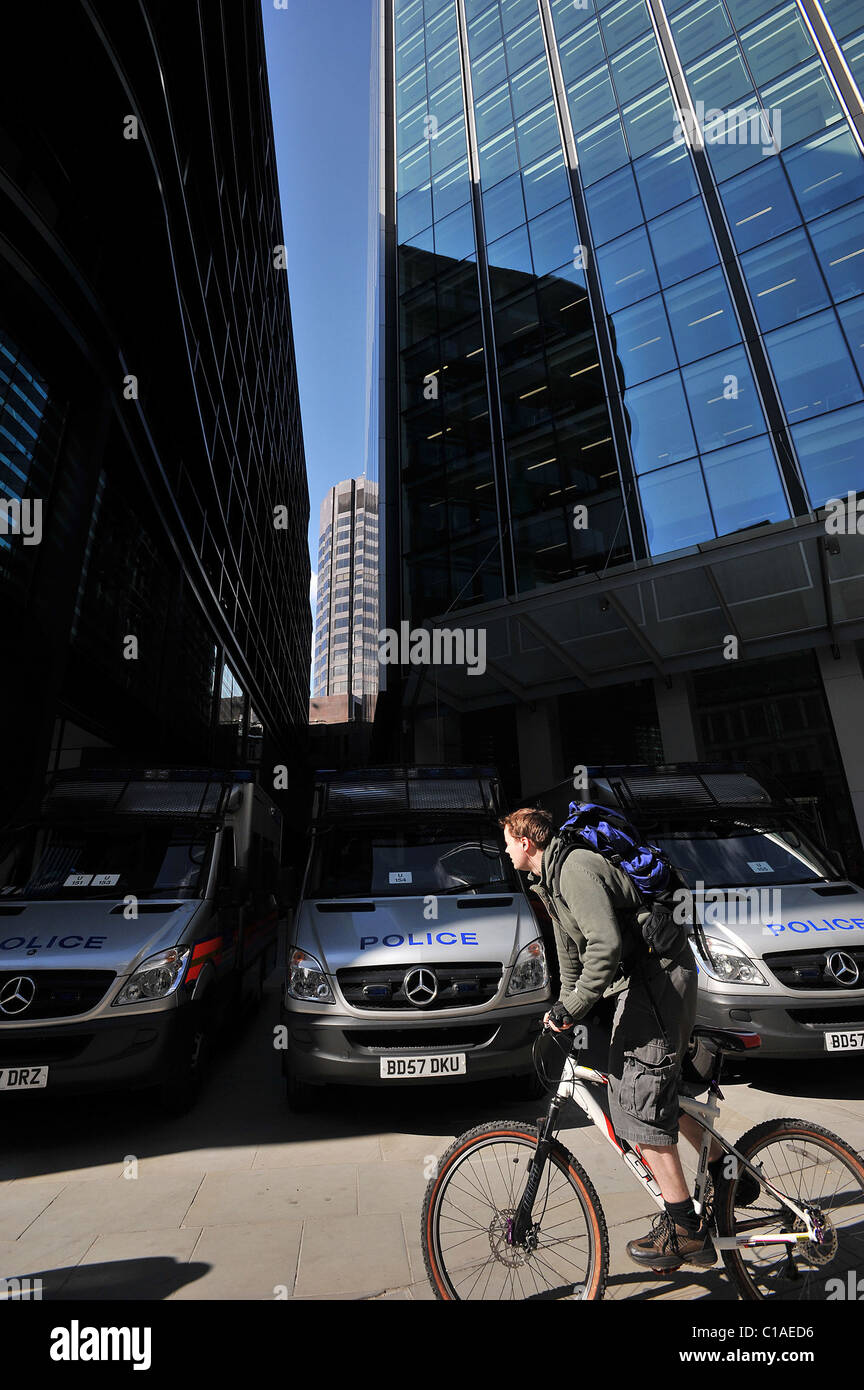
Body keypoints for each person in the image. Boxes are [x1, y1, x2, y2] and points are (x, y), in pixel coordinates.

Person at [500, 804, 730, 1271]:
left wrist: (578, 1005)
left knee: (636, 1105)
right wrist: (563, 1012)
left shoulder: (575, 870)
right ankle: (726, 1175)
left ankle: (686, 1230)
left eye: (507, 841)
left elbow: (603, 947)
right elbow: (571, 959)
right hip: (642, 981)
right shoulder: (548, 881)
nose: (504, 850)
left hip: (658, 977)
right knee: (662, 1094)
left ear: (526, 842)